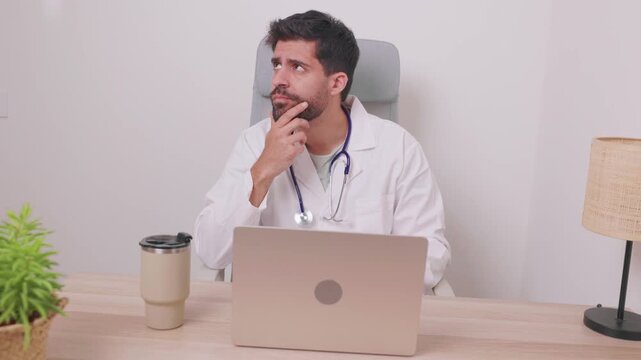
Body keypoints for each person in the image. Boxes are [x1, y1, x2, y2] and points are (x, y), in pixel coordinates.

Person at [194, 10, 450, 292]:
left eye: (297, 67)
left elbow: (430, 257)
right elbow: (211, 251)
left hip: (366, 309)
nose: (279, 79)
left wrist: (345, 275)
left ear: (336, 83)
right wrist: (263, 170)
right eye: (277, 64)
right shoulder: (255, 143)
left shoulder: (398, 148)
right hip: (276, 308)